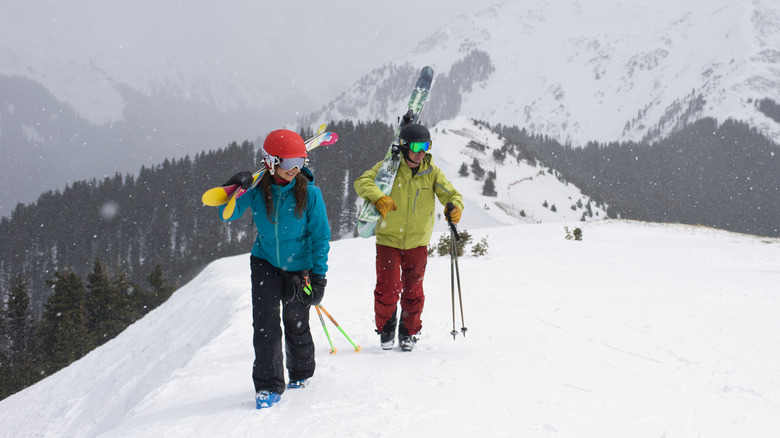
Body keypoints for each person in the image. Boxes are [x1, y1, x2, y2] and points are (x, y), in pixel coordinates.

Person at [219, 129, 330, 409]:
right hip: (264, 262)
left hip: (300, 267)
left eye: (300, 162)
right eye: (289, 162)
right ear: (270, 161)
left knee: (296, 321)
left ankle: (301, 372)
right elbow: (227, 213)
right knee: (266, 325)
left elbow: (320, 237)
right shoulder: (257, 191)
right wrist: (237, 188)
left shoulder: (311, 194)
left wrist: (319, 277)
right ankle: (268, 385)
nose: (295, 169)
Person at [354, 123, 463, 352]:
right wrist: (378, 197)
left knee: (414, 289)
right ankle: (386, 328)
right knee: (388, 288)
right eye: (416, 146)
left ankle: (409, 332)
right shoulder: (389, 168)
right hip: (388, 240)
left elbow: (451, 194)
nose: (421, 151)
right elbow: (362, 182)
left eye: (426, 146)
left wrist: (455, 207)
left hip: (417, 241)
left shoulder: (431, 171)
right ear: (403, 146)